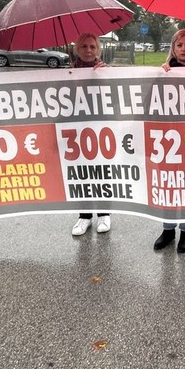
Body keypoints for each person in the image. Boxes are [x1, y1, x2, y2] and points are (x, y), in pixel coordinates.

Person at [153, 28, 185, 253]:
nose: (184, 49)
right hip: (168, 140)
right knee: (169, 184)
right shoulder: (165, 72)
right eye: (180, 45)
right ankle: (168, 229)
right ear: (173, 47)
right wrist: (160, 77)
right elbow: (150, 103)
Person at [69, 33, 111, 236]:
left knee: (102, 171)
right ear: (77, 49)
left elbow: (116, 99)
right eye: (84, 46)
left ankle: (104, 214)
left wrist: (105, 78)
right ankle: (84, 216)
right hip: (76, 130)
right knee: (81, 174)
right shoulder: (67, 71)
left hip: (100, 129)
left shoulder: (105, 71)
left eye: (92, 47)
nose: (88, 50)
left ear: (98, 49)